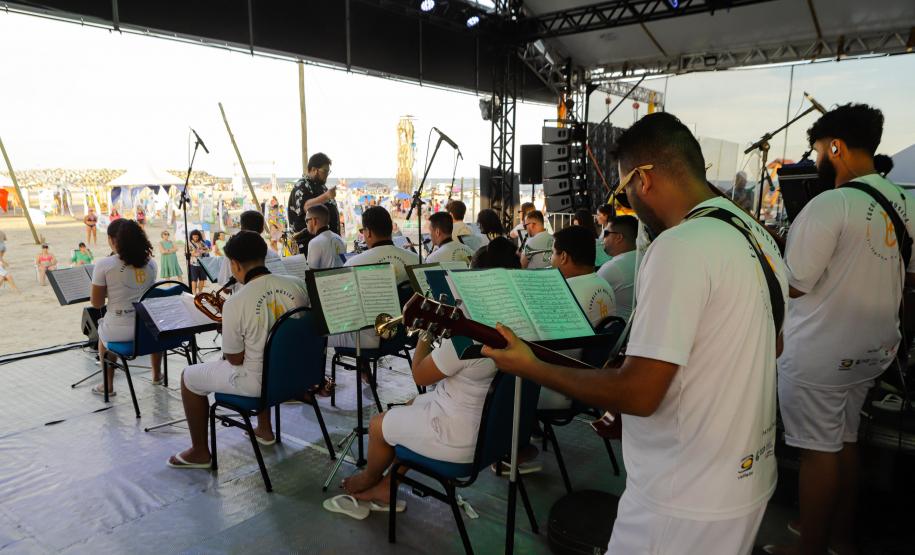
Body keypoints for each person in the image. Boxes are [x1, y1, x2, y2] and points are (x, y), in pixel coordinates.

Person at [481, 112, 788, 555]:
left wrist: (532, 366)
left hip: (682, 498)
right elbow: (770, 344)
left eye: (622, 190)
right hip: (747, 479)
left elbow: (641, 394)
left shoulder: (679, 247)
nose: (626, 202)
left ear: (644, 179)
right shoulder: (757, 235)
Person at [767, 104, 915, 555]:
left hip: (821, 352)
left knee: (817, 452)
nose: (815, 162)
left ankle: (808, 548)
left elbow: (792, 285)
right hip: (873, 350)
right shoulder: (905, 201)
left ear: (836, 147)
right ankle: (840, 540)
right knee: (844, 440)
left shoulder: (832, 203)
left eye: (817, 151)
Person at [338, 236, 521, 507]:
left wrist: (428, 331)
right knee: (411, 405)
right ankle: (388, 485)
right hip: (498, 428)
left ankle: (368, 478)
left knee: (378, 425)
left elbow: (420, 376)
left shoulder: (468, 333)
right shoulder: (518, 319)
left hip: (461, 438)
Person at [167, 231, 309, 468]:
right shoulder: (297, 285)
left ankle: (200, 451)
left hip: (259, 383)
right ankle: (264, 428)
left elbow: (234, 359)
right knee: (260, 354)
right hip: (297, 375)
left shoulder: (236, 301)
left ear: (234, 264)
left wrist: (232, 331)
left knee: (189, 378)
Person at [329, 207, 419, 350]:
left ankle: (364, 371)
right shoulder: (416, 259)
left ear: (369, 232)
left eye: (363, 231)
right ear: (390, 229)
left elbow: (341, 307)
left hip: (370, 339)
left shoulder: (354, 264)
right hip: (407, 334)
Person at [90, 219, 161, 395]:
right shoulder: (151, 263)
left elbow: (97, 303)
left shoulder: (104, 265)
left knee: (103, 334)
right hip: (149, 329)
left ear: (113, 240)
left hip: (119, 330)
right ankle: (157, 374)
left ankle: (107, 385)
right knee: (152, 325)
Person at [288, 152, 339, 254]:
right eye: (324, 171)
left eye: (328, 172)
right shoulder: (302, 185)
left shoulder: (321, 186)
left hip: (326, 242)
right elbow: (307, 207)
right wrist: (327, 196)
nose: (327, 175)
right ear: (314, 170)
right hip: (309, 244)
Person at [217, 211, 282, 287]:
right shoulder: (273, 254)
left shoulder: (232, 253)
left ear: (242, 228)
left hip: (243, 298)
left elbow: (226, 288)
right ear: (262, 230)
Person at [597, 215, 639, 321]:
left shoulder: (614, 267)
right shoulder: (643, 257)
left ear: (619, 237)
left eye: (606, 234)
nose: (602, 238)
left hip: (620, 333)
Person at [305, 204, 345, 270]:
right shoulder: (339, 238)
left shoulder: (315, 242)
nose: (306, 224)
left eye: (307, 221)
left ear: (314, 221)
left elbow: (311, 273)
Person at [188, 230, 210, 295]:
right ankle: (194, 293)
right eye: (194, 237)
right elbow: (188, 253)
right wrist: (196, 252)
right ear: (191, 237)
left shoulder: (201, 242)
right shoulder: (189, 243)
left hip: (202, 263)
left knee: (202, 279)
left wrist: (201, 250)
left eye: (197, 237)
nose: (195, 238)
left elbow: (207, 249)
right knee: (194, 280)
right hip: (193, 263)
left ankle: (200, 293)